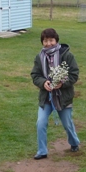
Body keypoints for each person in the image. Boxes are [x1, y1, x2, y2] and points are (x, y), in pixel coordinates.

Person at [30, 28, 80, 159]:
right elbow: (35, 75)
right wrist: (43, 83)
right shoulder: (39, 57)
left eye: (51, 40)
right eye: (45, 41)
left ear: (56, 40)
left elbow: (74, 75)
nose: (48, 43)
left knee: (67, 124)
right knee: (40, 123)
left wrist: (62, 84)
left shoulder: (67, 55)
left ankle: (74, 143)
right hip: (46, 97)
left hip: (62, 97)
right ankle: (42, 151)